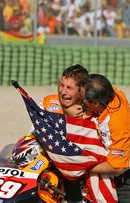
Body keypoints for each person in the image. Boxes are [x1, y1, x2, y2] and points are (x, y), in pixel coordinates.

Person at [79, 74, 130, 203]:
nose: (81, 102)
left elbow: (118, 166)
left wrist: (81, 167)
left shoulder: (116, 123)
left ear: (96, 103)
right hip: (121, 172)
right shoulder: (112, 92)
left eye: (83, 100)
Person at [39, 64, 89, 203]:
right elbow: (34, 130)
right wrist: (65, 114)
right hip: (45, 162)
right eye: (61, 85)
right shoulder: (48, 101)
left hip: (74, 168)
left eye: (69, 88)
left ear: (81, 91)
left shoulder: (89, 109)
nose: (63, 91)